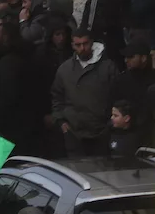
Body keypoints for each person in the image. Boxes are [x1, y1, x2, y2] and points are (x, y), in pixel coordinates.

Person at [51, 28, 119, 157]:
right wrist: (60, 121)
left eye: (85, 43)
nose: (82, 48)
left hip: (102, 133)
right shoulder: (64, 69)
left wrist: (110, 124)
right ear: (72, 45)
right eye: (78, 45)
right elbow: (57, 97)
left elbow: (117, 96)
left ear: (91, 42)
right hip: (74, 134)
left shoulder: (108, 67)